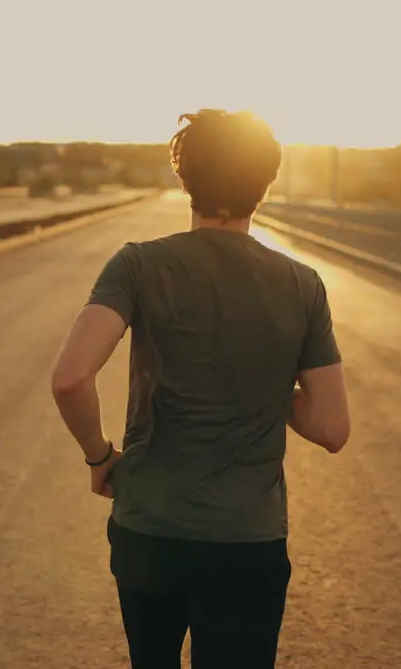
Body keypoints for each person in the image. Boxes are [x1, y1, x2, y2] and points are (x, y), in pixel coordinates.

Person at [50, 109, 351, 668]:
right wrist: (263, 381)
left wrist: (98, 456)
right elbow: (333, 430)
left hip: (150, 531)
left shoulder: (139, 265)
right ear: (266, 183)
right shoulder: (302, 285)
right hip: (247, 541)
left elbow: (70, 378)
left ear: (184, 177)